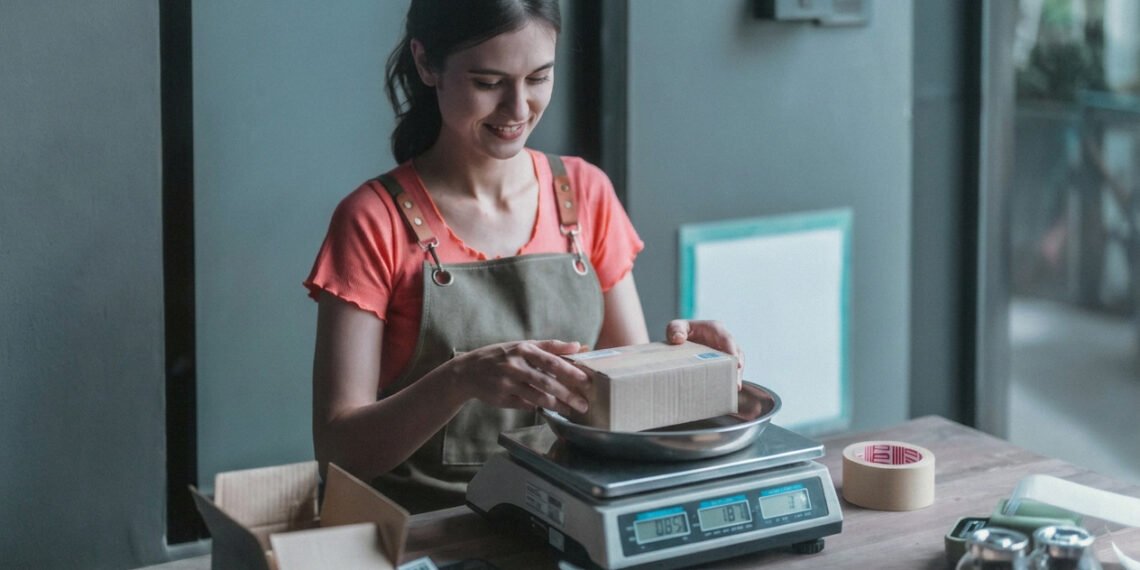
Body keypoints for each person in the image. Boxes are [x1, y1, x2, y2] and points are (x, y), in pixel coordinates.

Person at [304, 0, 743, 513]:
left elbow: (626, 400)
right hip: (423, 530)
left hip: (564, 509)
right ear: (427, 65)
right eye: (489, 82)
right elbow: (338, 453)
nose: (518, 110)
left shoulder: (584, 192)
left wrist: (692, 362)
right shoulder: (371, 219)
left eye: (538, 78)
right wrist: (459, 380)